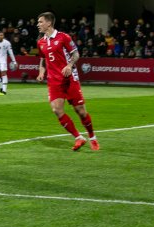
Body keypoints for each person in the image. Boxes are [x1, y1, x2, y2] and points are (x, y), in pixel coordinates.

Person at [36, 12, 99, 151]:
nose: (38, 24)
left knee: (80, 111)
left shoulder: (63, 37)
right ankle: (78, 138)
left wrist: (69, 65)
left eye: (40, 22)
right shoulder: (40, 41)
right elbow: (42, 59)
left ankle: (92, 137)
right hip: (53, 80)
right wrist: (41, 72)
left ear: (49, 23)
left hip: (69, 78)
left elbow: (76, 54)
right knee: (56, 110)